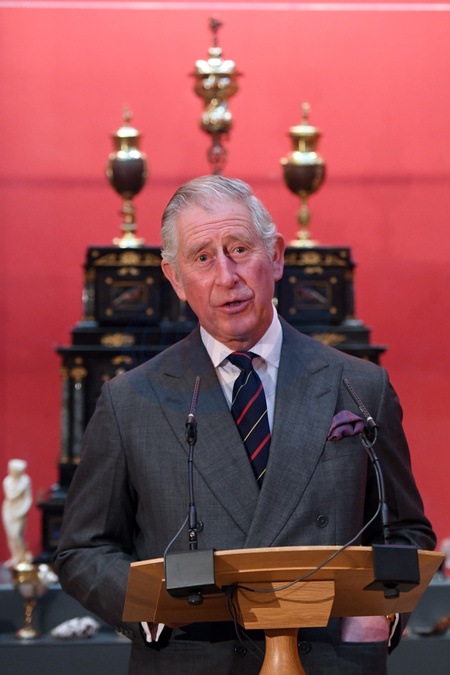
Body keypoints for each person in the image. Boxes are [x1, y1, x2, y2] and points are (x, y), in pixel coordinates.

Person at [54, 175, 435, 674]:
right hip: (194, 659)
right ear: (175, 277)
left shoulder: (361, 386)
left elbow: (405, 533)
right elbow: (83, 550)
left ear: (275, 256)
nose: (227, 276)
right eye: (202, 257)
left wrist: (383, 611)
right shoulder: (130, 401)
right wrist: (152, 606)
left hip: (328, 659)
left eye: (239, 249)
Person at [2, 458, 33, 567]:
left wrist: (23, 510)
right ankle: (15, 556)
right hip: (9, 509)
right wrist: (21, 488)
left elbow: (28, 498)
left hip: (20, 510)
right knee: (10, 535)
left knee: (16, 535)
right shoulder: (7, 481)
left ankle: (22, 557)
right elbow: (10, 496)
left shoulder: (26, 481)